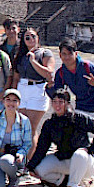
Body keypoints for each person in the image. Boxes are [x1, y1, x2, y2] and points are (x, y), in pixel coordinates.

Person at [50, 38, 94, 187]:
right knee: (76, 142)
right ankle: (80, 173)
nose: (66, 57)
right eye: (63, 54)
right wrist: (50, 88)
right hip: (82, 108)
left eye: (69, 53)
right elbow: (59, 94)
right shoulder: (61, 73)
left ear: (76, 53)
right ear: (60, 55)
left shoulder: (88, 67)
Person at [27, 89, 94, 187]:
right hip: (64, 159)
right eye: (54, 101)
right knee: (39, 170)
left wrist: (91, 149)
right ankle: (64, 182)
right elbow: (42, 147)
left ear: (67, 103)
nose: (57, 105)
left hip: (84, 162)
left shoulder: (79, 118)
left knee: (79, 155)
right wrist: (31, 166)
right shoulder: (50, 123)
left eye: (61, 101)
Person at [11, 28, 55, 160]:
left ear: (38, 38)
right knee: (20, 127)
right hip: (22, 89)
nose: (30, 39)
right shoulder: (20, 55)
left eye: (33, 36)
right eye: (27, 37)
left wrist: (33, 61)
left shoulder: (45, 53)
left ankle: (27, 161)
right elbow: (16, 77)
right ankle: (20, 157)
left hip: (37, 88)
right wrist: (12, 94)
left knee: (30, 128)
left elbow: (48, 73)